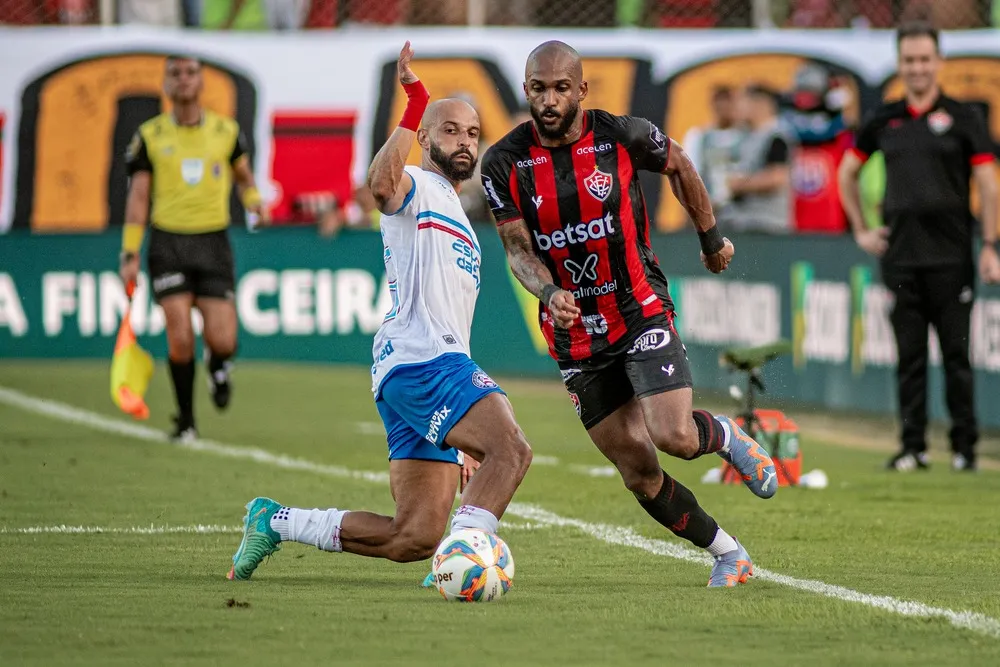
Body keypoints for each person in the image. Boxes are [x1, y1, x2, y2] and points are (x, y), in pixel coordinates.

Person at [226, 42, 533, 581]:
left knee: (412, 535)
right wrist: (414, 103)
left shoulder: (460, 213)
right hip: (424, 365)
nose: (464, 141)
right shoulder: (418, 186)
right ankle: (466, 557)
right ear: (425, 138)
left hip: (424, 367)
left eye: (472, 134)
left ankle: (275, 521)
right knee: (511, 450)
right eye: (450, 130)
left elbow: (450, 319)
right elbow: (381, 185)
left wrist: (462, 429)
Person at [480, 41, 778, 589]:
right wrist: (548, 294)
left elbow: (681, 164)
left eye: (560, 88)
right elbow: (518, 250)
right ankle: (728, 553)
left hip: (639, 308)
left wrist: (710, 236)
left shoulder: (623, 134)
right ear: (525, 90)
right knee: (639, 473)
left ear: (582, 90)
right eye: (538, 89)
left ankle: (726, 437)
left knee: (675, 437)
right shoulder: (503, 163)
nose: (548, 100)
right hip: (575, 335)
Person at [838, 22, 1000, 473]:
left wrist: (989, 245)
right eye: (909, 60)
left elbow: (988, 185)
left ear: (939, 61)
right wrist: (862, 229)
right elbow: (846, 173)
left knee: (956, 357)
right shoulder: (884, 119)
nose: (918, 68)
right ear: (900, 64)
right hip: (901, 258)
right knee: (909, 359)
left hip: (952, 258)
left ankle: (965, 449)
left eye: (925, 59)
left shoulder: (965, 117)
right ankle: (913, 447)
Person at [120, 55, 268, 442]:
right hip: (168, 242)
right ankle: (185, 420)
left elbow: (243, 177)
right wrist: (130, 252)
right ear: (166, 85)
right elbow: (138, 197)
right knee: (180, 334)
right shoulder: (150, 135)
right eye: (175, 74)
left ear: (200, 82)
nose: (183, 80)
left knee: (224, 340)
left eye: (190, 74)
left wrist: (253, 200)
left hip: (213, 242)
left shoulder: (226, 131)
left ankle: (218, 365)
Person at [716, 84, 795, 234]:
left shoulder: (776, 136)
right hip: (739, 221)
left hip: (767, 224)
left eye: (743, 101)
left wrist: (738, 184)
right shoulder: (743, 135)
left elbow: (777, 177)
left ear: (760, 104)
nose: (738, 107)